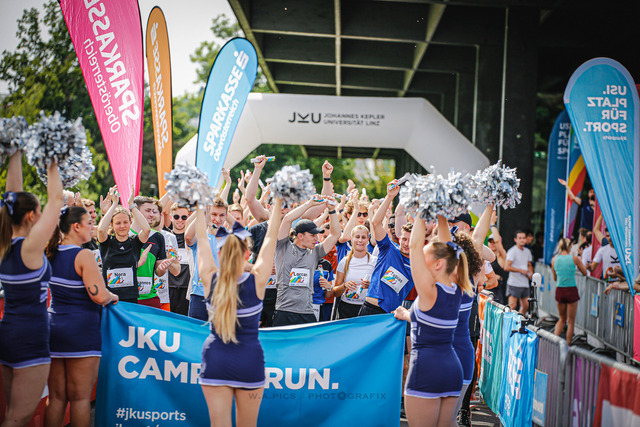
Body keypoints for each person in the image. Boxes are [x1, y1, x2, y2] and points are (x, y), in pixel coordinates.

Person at [195, 196, 282, 427]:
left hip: (215, 358)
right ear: (246, 254)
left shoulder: (210, 279)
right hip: (249, 360)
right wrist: (278, 203)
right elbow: (271, 236)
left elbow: (202, 238)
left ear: (220, 254)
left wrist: (199, 206)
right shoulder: (258, 280)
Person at [0, 152, 63, 426]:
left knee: (13, 414)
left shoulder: (5, 242)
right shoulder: (29, 247)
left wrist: (14, 151)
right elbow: (56, 200)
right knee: (18, 418)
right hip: (30, 338)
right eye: (39, 211)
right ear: (30, 216)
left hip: (8, 333)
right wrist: (52, 158)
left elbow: (11, 197)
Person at [393, 215, 473, 427]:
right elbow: (450, 249)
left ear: (438, 264)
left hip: (427, 368)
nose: (421, 259)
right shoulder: (458, 287)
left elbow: (414, 245)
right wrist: (441, 217)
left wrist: (422, 210)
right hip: (452, 369)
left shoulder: (429, 291)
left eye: (425, 256)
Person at [43, 206, 118, 426]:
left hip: (54, 327)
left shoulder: (50, 252)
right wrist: (113, 296)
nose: (92, 227)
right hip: (81, 331)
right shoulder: (83, 255)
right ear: (76, 226)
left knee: (56, 397)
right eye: (89, 223)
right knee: (80, 399)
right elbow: (99, 296)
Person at [273, 196, 340, 326]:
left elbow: (335, 235)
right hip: (284, 311)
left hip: (307, 312)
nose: (316, 239)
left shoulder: (314, 252)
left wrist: (332, 211)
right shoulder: (283, 247)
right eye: (312, 235)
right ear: (300, 236)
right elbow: (287, 220)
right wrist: (309, 204)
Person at [359, 180, 413, 316]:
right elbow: (376, 223)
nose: (406, 244)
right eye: (404, 239)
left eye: (411, 240)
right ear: (399, 238)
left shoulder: (418, 264)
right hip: (369, 309)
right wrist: (389, 196)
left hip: (391, 316)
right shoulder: (389, 248)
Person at [97, 188, 150, 304]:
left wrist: (132, 205)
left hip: (130, 299)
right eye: (118, 223)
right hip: (109, 298)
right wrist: (114, 205)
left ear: (130, 222)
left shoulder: (134, 242)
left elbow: (146, 230)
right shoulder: (107, 242)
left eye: (125, 222)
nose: (122, 226)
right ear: (111, 225)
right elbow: (100, 230)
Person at [333, 225, 375, 319]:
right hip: (346, 309)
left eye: (363, 237)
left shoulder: (374, 261)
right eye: (357, 237)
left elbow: (380, 289)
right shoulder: (344, 262)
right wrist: (344, 286)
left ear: (368, 240)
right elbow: (335, 292)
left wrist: (370, 285)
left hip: (367, 308)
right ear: (352, 239)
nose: (360, 240)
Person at [551, 238, 588, 345]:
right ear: (570, 246)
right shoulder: (574, 258)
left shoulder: (554, 260)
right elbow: (585, 272)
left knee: (561, 319)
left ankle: (553, 343)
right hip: (571, 289)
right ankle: (567, 346)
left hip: (560, 289)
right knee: (571, 321)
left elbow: (555, 278)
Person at [167, 203, 195, 315]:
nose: (180, 220)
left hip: (187, 289)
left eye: (184, 217)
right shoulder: (165, 237)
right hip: (168, 288)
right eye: (176, 216)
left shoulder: (192, 238)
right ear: (171, 217)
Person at [504, 230, 534, 315]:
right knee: (512, 306)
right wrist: (520, 270)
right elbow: (506, 267)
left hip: (524, 283)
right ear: (515, 239)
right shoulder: (512, 251)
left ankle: (519, 321)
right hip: (514, 283)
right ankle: (508, 322)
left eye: (523, 238)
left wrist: (531, 272)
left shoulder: (527, 251)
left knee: (526, 306)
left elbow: (529, 264)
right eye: (520, 238)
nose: (522, 240)